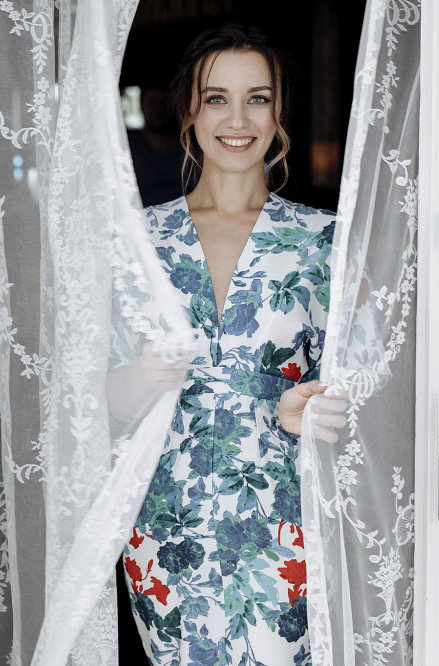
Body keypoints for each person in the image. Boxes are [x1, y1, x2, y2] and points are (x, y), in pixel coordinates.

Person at [107, 25, 346, 664]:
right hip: (166, 521)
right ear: (188, 111)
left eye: (257, 99)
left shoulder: (326, 242)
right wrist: (144, 376)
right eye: (217, 99)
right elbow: (89, 402)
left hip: (284, 515)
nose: (237, 119)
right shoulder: (139, 243)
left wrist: (312, 406)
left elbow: (370, 390)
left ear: (278, 112)